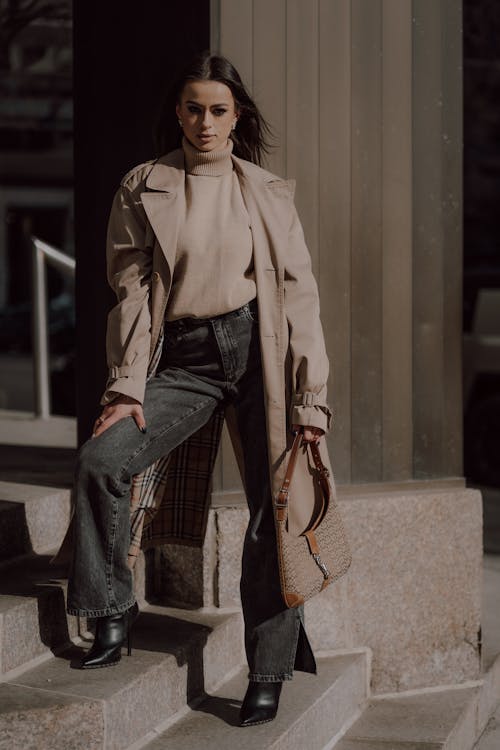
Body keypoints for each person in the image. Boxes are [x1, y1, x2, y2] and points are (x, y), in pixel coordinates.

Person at [66, 51, 332, 728]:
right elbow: (130, 294)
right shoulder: (144, 184)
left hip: (257, 357)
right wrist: (124, 388)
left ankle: (267, 673)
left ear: (238, 115)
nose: (205, 122)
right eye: (193, 108)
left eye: (219, 109)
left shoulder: (267, 193)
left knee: (272, 519)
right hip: (181, 360)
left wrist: (310, 402)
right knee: (101, 461)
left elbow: (301, 299)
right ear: (177, 112)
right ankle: (110, 611)